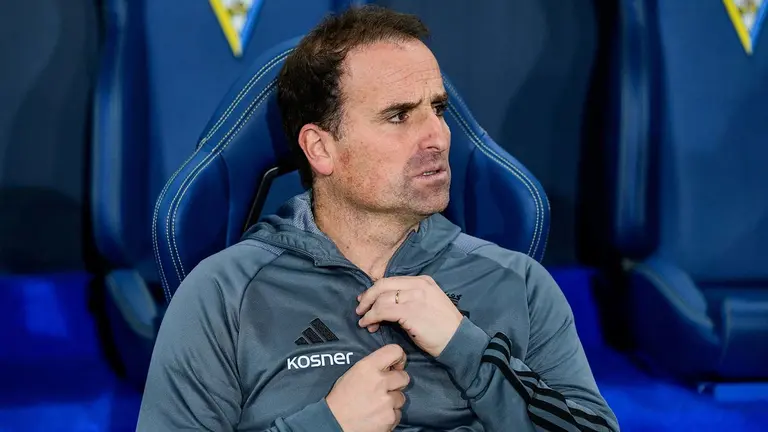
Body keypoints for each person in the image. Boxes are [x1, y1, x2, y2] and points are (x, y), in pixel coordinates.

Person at [136, 5, 619, 431]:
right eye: (398, 116)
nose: (438, 136)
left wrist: (465, 346)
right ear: (321, 148)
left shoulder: (520, 283)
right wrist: (327, 425)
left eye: (438, 109)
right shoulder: (222, 294)